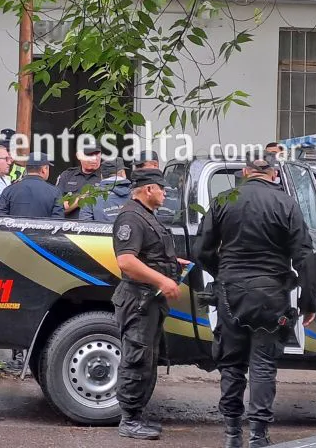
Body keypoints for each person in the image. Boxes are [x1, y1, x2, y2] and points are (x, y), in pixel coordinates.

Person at [196, 153, 316, 448]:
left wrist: (223, 272)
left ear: (245, 172)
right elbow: (304, 255)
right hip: (271, 294)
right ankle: (258, 436)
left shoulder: (224, 200)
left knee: (232, 364)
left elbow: (201, 250)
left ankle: (231, 434)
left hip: (230, 293)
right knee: (263, 365)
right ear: (274, 174)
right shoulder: (286, 203)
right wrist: (308, 301)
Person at [112, 168, 189, 440]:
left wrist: (172, 263)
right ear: (148, 189)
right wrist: (163, 280)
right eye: (161, 188)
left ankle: (137, 415)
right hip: (138, 300)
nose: (165, 193)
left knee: (147, 359)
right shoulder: (131, 217)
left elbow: (148, 253)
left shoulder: (146, 215)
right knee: (136, 358)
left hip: (149, 301)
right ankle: (129, 420)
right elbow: (126, 261)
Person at [0, 153, 64, 218]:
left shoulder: (9, 190)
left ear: (26, 169)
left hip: (15, 227)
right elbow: (58, 220)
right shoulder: (55, 192)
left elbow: (0, 218)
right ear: (44, 169)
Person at [56, 141, 102, 218]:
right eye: (89, 154)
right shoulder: (67, 175)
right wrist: (82, 199)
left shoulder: (106, 176)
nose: (94, 159)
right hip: (70, 224)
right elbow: (57, 208)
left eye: (97, 154)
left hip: (97, 224)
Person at [79, 158, 130, 222]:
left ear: (101, 176)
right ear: (123, 173)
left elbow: (85, 224)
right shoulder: (136, 194)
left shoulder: (91, 197)